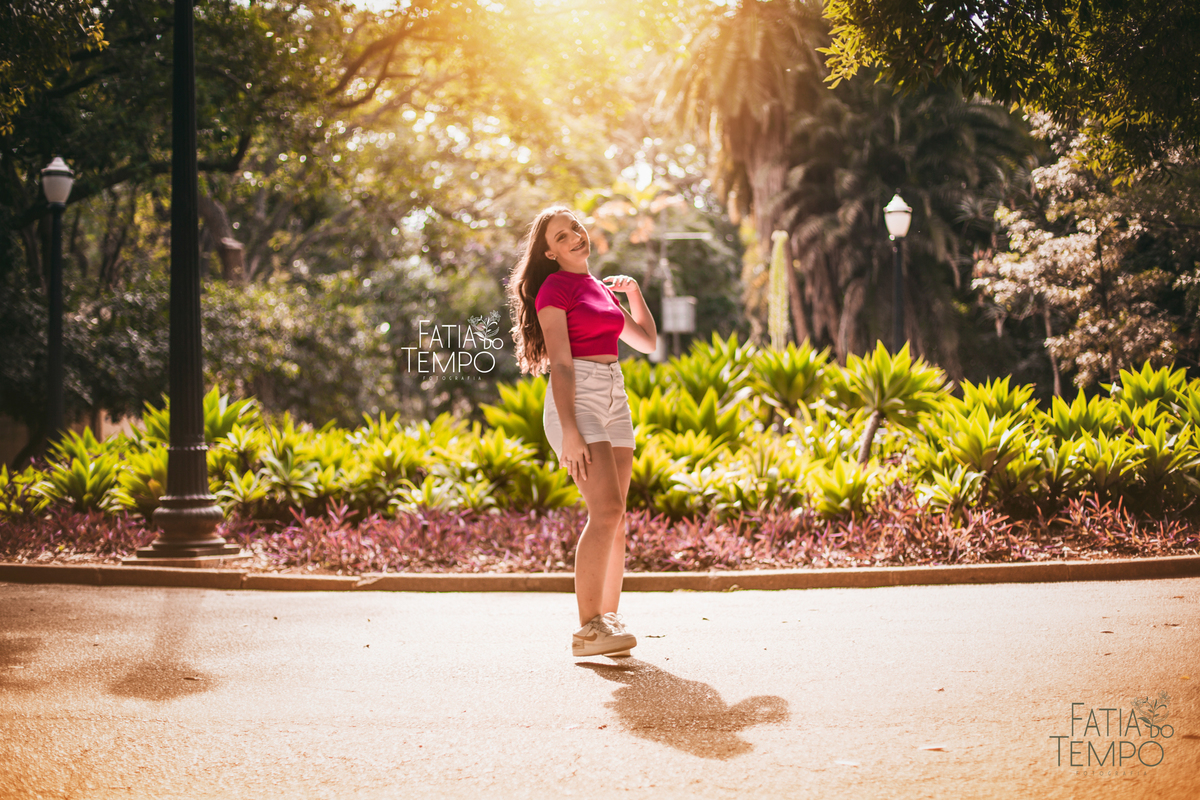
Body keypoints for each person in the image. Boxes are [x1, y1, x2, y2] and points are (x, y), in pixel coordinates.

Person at [507, 205, 658, 657]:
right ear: (550, 253)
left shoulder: (598, 288)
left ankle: (607, 623)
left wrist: (633, 294)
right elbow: (562, 364)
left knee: (619, 518)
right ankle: (588, 629)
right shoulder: (554, 288)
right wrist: (569, 429)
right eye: (561, 236)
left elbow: (647, 342)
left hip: (615, 395)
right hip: (579, 398)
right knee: (606, 510)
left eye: (575, 228)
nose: (575, 236)